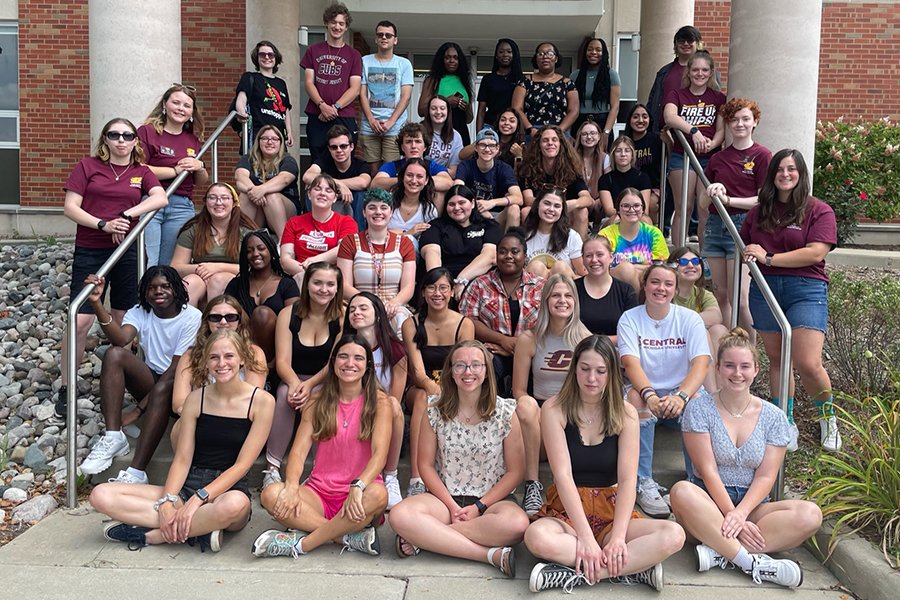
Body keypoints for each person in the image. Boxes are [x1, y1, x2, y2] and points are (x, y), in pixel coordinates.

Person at [525, 335, 686, 593]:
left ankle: (576, 573)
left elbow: (627, 479)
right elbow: (563, 475)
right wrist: (586, 538)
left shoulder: (625, 412)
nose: (592, 378)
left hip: (612, 510)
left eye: (601, 371)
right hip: (568, 512)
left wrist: (620, 538)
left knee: (674, 535)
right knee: (536, 537)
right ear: (574, 368)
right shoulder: (555, 408)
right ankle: (629, 570)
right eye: (585, 369)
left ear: (611, 373)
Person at [90, 329, 275, 553]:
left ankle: (153, 536)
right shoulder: (196, 399)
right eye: (214, 357)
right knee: (100, 495)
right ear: (206, 362)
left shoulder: (261, 401)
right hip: (187, 486)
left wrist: (199, 499)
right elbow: (183, 458)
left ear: (242, 359)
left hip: (227, 491)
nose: (221, 363)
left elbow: (242, 465)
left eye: (229, 356)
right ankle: (200, 530)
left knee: (234, 506)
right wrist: (167, 501)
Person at [669, 327, 821, 588]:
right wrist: (730, 513)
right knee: (682, 491)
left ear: (756, 370)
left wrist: (740, 514)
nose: (737, 374)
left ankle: (720, 554)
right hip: (708, 507)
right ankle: (751, 562)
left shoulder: (774, 417)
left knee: (810, 514)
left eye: (744, 366)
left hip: (752, 509)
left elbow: (766, 476)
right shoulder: (699, 409)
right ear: (717, 368)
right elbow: (707, 470)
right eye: (729, 366)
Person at [55, 118, 167, 422]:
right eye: (114, 135)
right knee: (81, 320)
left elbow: (161, 197)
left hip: (126, 250)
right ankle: (67, 386)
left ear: (134, 141)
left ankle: (124, 381)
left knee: (122, 320)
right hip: (92, 248)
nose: (121, 140)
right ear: (105, 139)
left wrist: (125, 216)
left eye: (127, 135)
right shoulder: (87, 166)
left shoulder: (141, 172)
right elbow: (71, 207)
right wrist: (104, 225)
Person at [389, 340, 529, 578]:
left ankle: (431, 536)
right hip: (445, 500)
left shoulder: (505, 412)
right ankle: (488, 555)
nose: (468, 372)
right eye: (460, 366)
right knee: (399, 515)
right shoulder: (434, 411)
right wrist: (452, 506)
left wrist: (479, 506)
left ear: (486, 372)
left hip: (492, 502)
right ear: (450, 372)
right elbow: (425, 465)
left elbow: (516, 472)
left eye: (476, 365)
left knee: (517, 525)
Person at [252, 335, 391, 558]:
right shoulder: (317, 401)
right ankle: (345, 536)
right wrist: (291, 486)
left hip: (359, 493)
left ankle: (301, 544)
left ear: (367, 366)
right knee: (270, 494)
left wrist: (358, 486)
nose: (350, 363)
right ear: (333, 362)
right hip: (319, 494)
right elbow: (297, 452)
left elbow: (380, 454)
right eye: (343, 356)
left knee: (379, 495)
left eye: (358, 358)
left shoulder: (380, 402)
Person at [740, 149, 841, 452]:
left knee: (807, 362)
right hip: (765, 288)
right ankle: (786, 421)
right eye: (780, 169)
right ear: (772, 175)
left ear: (801, 175)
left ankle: (828, 418)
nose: (785, 174)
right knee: (778, 360)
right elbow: (748, 246)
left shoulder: (818, 210)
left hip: (806, 288)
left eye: (792, 170)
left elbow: (815, 253)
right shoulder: (759, 212)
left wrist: (769, 257)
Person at [79, 267, 203, 485]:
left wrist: (137, 411)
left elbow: (175, 370)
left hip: (180, 389)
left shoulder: (192, 317)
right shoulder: (139, 311)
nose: (158, 291)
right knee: (115, 354)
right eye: (152, 287)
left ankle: (136, 473)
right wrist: (97, 303)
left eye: (165, 286)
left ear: (177, 288)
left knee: (166, 385)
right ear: (145, 292)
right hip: (152, 380)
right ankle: (113, 436)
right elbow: (120, 339)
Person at [617, 262, 711, 518]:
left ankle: (696, 482)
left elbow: (701, 363)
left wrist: (681, 396)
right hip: (646, 391)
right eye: (655, 282)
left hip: (680, 393)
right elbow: (630, 363)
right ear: (645, 285)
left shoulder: (689, 318)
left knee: (699, 404)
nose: (661, 288)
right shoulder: (630, 318)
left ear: (675, 288)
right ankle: (642, 482)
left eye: (668, 284)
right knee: (636, 399)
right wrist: (649, 394)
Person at [511, 274, 592, 514]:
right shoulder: (529, 338)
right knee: (525, 405)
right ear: (545, 301)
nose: (562, 300)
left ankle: (571, 486)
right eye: (556, 295)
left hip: (572, 419)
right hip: (540, 422)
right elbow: (518, 390)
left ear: (575, 302)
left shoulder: (585, 340)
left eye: (568, 296)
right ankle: (532, 484)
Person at [265, 262, 344, 487]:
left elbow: (335, 363)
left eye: (330, 284)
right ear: (307, 284)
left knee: (322, 399)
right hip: (292, 376)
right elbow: (282, 361)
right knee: (282, 396)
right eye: (317, 282)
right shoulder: (288, 314)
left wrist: (309, 386)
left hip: (326, 379)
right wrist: (293, 383)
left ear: (338, 288)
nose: (324, 289)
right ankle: (272, 467)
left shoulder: (341, 316)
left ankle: (320, 469)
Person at [401, 267, 475, 497]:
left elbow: (466, 368)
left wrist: (448, 391)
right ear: (423, 293)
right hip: (421, 388)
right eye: (431, 287)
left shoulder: (465, 324)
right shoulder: (411, 324)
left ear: (452, 292)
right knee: (424, 397)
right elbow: (417, 372)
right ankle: (416, 478)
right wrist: (433, 388)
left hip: (456, 386)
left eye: (443, 288)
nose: (437, 293)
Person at [702, 98, 772, 337]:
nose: (739, 124)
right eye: (734, 119)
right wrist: (713, 192)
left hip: (744, 226)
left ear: (755, 122)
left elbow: (763, 200)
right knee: (721, 293)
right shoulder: (717, 159)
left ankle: (750, 349)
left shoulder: (762, 155)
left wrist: (730, 200)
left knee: (740, 298)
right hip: (715, 226)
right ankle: (729, 344)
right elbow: (702, 203)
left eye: (745, 119)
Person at [168, 295, 268, 444]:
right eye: (215, 317)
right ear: (206, 322)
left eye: (231, 317)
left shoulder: (253, 353)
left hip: (239, 419)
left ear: (239, 322)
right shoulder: (190, 356)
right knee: (180, 426)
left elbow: (251, 397)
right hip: (200, 420)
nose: (223, 322)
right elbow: (179, 403)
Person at [459, 229, 545, 397]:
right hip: (494, 350)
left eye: (515, 251)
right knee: (485, 366)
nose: (508, 256)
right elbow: (468, 321)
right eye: (503, 252)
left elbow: (551, 322)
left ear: (525, 255)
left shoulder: (541, 286)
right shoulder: (480, 285)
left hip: (533, 351)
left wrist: (519, 346)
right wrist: (503, 341)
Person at [343, 293, 407, 509]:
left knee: (394, 406)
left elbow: (395, 396)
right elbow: (332, 376)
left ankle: (391, 475)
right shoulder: (344, 343)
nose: (356, 313)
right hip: (350, 407)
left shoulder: (394, 348)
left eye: (363, 308)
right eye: (352, 309)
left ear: (378, 314)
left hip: (381, 411)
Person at [138, 84, 209, 267]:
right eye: (176, 103)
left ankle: (163, 295)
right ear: (164, 105)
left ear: (192, 112)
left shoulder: (193, 140)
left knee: (170, 263)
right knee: (149, 260)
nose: (180, 108)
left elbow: (200, 181)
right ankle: (143, 294)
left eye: (186, 105)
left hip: (182, 206)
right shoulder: (148, 131)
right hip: (151, 200)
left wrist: (199, 166)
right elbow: (139, 168)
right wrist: (175, 171)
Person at [664, 50, 726, 248]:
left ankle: (705, 256)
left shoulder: (718, 98)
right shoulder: (677, 95)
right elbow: (670, 117)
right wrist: (694, 131)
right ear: (688, 72)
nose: (700, 74)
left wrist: (713, 143)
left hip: (710, 158)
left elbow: (721, 129)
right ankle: (678, 254)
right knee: (684, 207)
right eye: (696, 69)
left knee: (705, 207)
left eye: (704, 70)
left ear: (711, 73)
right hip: (681, 157)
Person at [338, 188, 416, 331]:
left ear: (391, 212)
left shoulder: (405, 243)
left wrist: (394, 303)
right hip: (358, 304)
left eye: (384, 207)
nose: (378, 212)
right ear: (364, 213)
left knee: (402, 322)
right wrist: (370, 304)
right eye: (372, 208)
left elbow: (408, 287)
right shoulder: (349, 242)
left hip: (393, 306)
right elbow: (344, 285)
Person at [172, 182, 258, 307]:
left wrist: (217, 268)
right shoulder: (193, 229)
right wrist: (202, 270)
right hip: (201, 278)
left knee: (218, 280)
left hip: (235, 279)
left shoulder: (246, 232)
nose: (218, 202)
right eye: (212, 197)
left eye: (224, 198)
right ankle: (188, 326)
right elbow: (176, 266)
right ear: (206, 202)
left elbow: (254, 268)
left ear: (234, 203)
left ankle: (216, 321)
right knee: (190, 282)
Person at [223, 230, 299, 366]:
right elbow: (224, 314)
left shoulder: (287, 284)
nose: (255, 254)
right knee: (233, 310)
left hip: (278, 353)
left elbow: (295, 323)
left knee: (262, 314)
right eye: (249, 250)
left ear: (271, 250)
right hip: (242, 348)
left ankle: (267, 369)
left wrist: (278, 361)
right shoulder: (236, 284)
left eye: (261, 248)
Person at [300, 2, 362, 163]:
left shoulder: (354, 55)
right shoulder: (313, 50)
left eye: (341, 23)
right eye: (333, 22)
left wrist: (334, 108)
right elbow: (308, 82)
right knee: (318, 159)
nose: (337, 27)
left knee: (344, 160)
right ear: (327, 23)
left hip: (344, 115)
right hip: (317, 114)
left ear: (346, 27)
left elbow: (355, 89)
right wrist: (322, 105)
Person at [280, 174, 358, 286]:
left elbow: (343, 249)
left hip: (332, 278)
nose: (322, 193)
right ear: (309, 194)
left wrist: (314, 261)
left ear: (335, 198)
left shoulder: (346, 222)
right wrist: (309, 274)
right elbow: (285, 260)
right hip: (300, 275)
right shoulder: (294, 222)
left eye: (328, 190)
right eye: (317, 189)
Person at [670, 246, 729, 391]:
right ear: (672, 267)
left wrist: (686, 321)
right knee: (701, 330)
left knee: (719, 330)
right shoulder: (666, 291)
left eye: (696, 261)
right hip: (670, 343)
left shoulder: (702, 294)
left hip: (692, 345)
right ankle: (712, 393)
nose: (691, 265)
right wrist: (694, 324)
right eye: (683, 262)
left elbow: (716, 316)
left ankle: (722, 390)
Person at [420, 184, 503, 288]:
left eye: (461, 203)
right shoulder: (435, 226)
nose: (457, 208)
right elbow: (432, 254)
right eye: (451, 204)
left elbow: (490, 256)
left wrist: (460, 281)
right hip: (443, 282)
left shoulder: (490, 226)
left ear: (472, 203)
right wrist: (442, 285)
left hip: (480, 282)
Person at [358, 20, 414, 175]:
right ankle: (374, 199)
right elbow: (361, 93)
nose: (384, 37)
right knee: (373, 170)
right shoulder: (364, 61)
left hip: (394, 126)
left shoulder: (404, 64)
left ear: (395, 40)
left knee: (390, 169)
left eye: (388, 35)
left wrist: (390, 122)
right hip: (370, 126)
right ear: (376, 39)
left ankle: (390, 200)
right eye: (380, 35)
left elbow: (406, 96)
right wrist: (371, 120)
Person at [519, 126, 594, 239]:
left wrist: (564, 206)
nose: (550, 143)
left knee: (582, 211)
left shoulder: (571, 170)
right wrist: (549, 207)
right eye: (545, 140)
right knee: (526, 211)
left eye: (554, 140)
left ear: (561, 145)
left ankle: (581, 252)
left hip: (565, 213)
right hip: (540, 212)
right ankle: (530, 252)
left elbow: (587, 199)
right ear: (538, 146)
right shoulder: (529, 170)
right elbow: (528, 200)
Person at [598, 188, 669, 292]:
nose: (631, 210)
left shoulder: (654, 234)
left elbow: (661, 268)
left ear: (643, 209)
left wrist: (633, 270)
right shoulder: (606, 235)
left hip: (647, 284)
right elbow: (601, 269)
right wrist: (631, 270)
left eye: (636, 206)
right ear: (618, 210)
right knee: (625, 269)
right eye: (626, 206)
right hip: (614, 288)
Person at [301, 124, 372, 229]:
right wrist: (339, 185)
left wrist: (336, 184)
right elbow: (307, 176)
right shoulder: (324, 161)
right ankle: (313, 230)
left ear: (351, 147)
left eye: (343, 146)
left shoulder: (360, 164)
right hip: (328, 201)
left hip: (351, 203)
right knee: (311, 191)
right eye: (334, 147)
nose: (339, 150)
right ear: (329, 149)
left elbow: (364, 182)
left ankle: (357, 235)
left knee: (360, 194)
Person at [234, 125, 299, 238]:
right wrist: (254, 192)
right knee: (244, 196)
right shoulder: (248, 159)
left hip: (285, 212)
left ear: (280, 143)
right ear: (258, 141)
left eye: (274, 139)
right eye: (265, 138)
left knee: (271, 196)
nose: (269, 142)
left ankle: (285, 242)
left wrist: (262, 190)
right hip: (258, 211)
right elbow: (240, 177)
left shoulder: (288, 160)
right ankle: (241, 241)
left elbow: (284, 179)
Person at [454, 127, 523, 228]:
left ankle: (509, 243)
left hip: (495, 216)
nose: (487, 149)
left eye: (491, 145)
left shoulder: (504, 168)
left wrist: (491, 203)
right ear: (476, 148)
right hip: (470, 213)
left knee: (514, 208)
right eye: (482, 145)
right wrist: (477, 208)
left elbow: (518, 198)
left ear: (497, 148)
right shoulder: (465, 166)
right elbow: (457, 190)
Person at [575, 237, 638, 341]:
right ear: (583, 259)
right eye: (588, 256)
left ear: (611, 257)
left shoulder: (625, 291)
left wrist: (598, 342)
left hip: (616, 352)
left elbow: (633, 332)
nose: (594, 260)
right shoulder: (572, 289)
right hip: (579, 350)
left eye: (600, 254)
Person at [234, 40, 293, 148]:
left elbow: (286, 110)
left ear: (276, 58)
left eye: (270, 54)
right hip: (257, 134)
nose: (267, 57)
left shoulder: (281, 83)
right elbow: (241, 100)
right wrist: (242, 114)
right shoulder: (250, 77)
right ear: (257, 57)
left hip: (277, 135)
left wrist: (289, 132)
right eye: (262, 54)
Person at [647, 25, 706, 135]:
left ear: (698, 44)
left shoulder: (707, 72)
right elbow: (652, 102)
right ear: (675, 45)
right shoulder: (664, 72)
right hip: (664, 132)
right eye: (681, 41)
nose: (685, 44)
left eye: (690, 40)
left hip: (696, 132)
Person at [513, 42, 578, 135]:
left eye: (550, 53)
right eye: (540, 54)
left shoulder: (567, 83)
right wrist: (530, 129)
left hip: (559, 131)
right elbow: (517, 108)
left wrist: (559, 131)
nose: (545, 56)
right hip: (532, 131)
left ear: (556, 59)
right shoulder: (524, 82)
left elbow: (574, 111)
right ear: (536, 59)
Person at [417, 42, 475, 146]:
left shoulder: (465, 81)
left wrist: (465, 108)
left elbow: (469, 119)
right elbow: (421, 110)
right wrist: (446, 102)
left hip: (461, 133)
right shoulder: (433, 80)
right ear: (441, 60)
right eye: (447, 57)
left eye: (455, 58)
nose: (452, 61)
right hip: (437, 133)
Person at [370, 122, 454, 192]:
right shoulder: (393, 166)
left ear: (425, 147)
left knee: (440, 194)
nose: (413, 146)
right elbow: (375, 184)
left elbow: (448, 182)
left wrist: (417, 182)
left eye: (418, 141)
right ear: (402, 147)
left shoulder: (431, 165)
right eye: (408, 142)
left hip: (425, 208)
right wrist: (405, 181)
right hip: (398, 208)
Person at [522, 187, 585, 278]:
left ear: (562, 210)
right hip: (533, 288)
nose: (551, 209)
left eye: (557, 206)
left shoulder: (572, 236)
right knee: (536, 267)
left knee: (560, 267)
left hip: (563, 288)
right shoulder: (523, 235)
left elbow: (582, 274)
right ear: (537, 205)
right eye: (547, 203)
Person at [570, 38, 620, 146]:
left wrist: (606, 133)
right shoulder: (575, 75)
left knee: (601, 160)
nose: (593, 52)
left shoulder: (611, 75)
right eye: (590, 49)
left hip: (602, 122)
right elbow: (570, 107)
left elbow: (615, 107)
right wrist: (569, 133)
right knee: (577, 159)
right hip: (578, 122)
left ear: (604, 53)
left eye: (598, 50)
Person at [623, 104, 664, 224]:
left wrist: (669, 140)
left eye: (644, 117)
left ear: (650, 120)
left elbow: (669, 156)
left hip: (653, 187)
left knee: (650, 204)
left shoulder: (656, 140)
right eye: (636, 117)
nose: (640, 120)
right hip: (628, 187)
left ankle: (652, 231)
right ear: (629, 120)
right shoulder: (624, 141)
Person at [598, 136, 654, 223]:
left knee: (646, 220)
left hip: (637, 215)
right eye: (618, 151)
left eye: (627, 151)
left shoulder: (643, 178)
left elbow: (644, 209)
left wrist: (632, 213)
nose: (623, 154)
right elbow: (609, 210)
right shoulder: (605, 179)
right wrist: (626, 214)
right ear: (613, 155)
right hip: (615, 216)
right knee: (616, 220)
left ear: (632, 155)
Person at [387, 158, 440, 243]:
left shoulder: (429, 210)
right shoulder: (387, 202)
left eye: (419, 176)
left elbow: (429, 240)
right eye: (409, 175)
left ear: (426, 181)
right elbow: (376, 232)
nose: (414, 180)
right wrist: (407, 233)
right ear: (402, 177)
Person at [476, 39, 523, 131]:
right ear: (496, 56)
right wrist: (479, 135)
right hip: (490, 125)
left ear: (514, 55)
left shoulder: (521, 80)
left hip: (513, 127)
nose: (505, 54)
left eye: (509, 52)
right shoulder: (488, 79)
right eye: (501, 52)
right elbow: (481, 110)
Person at [573, 120, 611, 213]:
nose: (589, 137)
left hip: (600, 204)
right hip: (579, 204)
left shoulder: (605, 158)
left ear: (599, 137)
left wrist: (600, 200)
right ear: (580, 137)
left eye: (593, 133)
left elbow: (609, 184)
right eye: (584, 134)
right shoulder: (572, 158)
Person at [424, 95, 464, 177]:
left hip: (444, 179)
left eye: (442, 108)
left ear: (448, 112)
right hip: (419, 176)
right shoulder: (419, 131)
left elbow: (453, 172)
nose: (438, 112)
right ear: (428, 111)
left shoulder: (456, 136)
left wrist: (432, 168)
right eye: (433, 108)